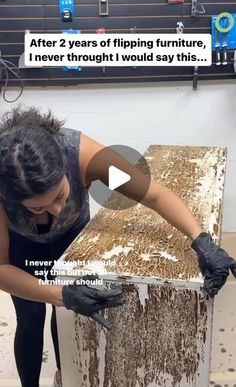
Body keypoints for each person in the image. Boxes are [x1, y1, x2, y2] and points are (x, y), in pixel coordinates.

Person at [0, 106, 235, 387]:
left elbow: (154, 195)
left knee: (64, 316)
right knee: (29, 318)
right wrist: (59, 292)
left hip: (68, 240)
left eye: (61, 195)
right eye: (37, 207)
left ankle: (67, 378)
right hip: (22, 249)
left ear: (65, 168)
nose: (56, 209)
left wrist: (202, 240)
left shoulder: (86, 157)